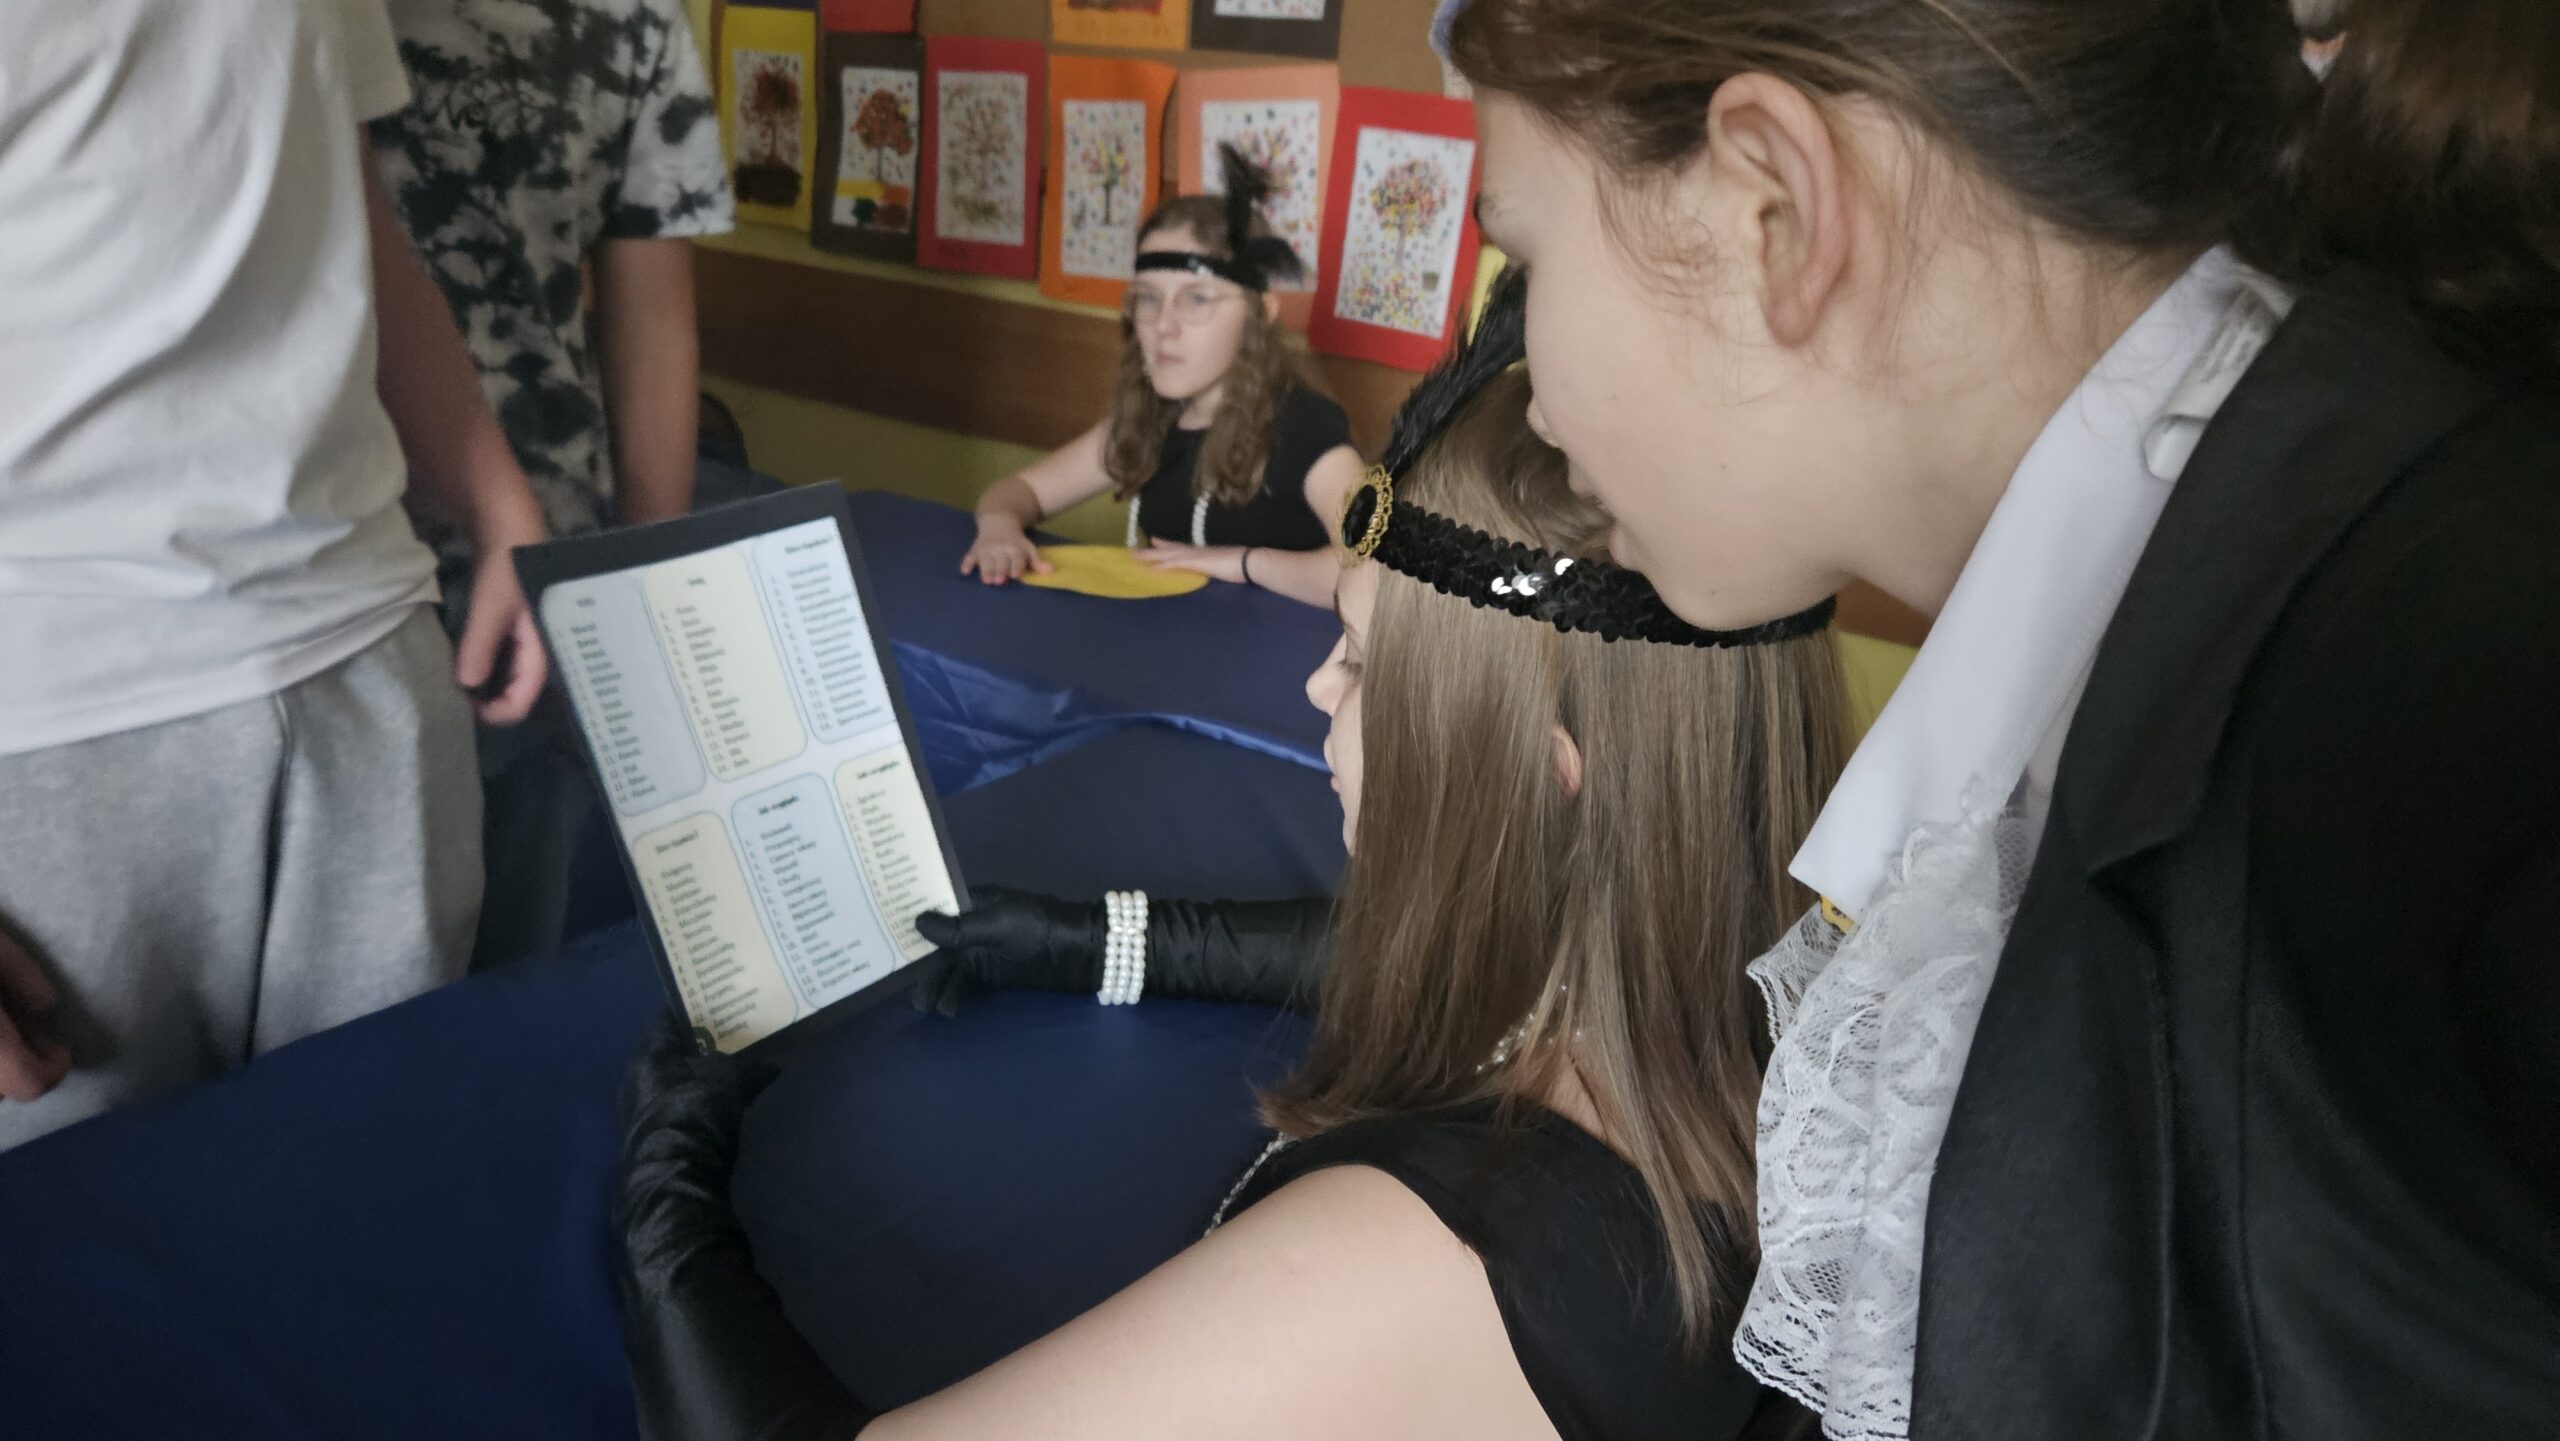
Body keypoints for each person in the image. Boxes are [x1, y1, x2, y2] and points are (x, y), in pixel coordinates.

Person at [1440, 0, 2560, 1435]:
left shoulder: (2425, 732)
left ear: (1770, 210)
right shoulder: (2270, 581)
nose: (1533, 402)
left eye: (1527, 255)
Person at [616, 276, 1852, 1440]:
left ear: (1540, 773)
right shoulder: (1731, 995)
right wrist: (1078, 939)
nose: (1318, 685)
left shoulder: (1421, 1256)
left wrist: (668, 1216)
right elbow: (1367, 953)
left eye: (1358, 661)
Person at [0, 0, 550, 1148]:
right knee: (70, 1245)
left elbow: (340, 203)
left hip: (369, 656)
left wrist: (499, 502)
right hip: (51, 712)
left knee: (387, 1199)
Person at [370, 0, 735, 970]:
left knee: (507, 975)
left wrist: (642, 585)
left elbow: (653, 321)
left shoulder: (638, 16)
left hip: (539, 583)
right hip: (332, 573)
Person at [959, 150, 1365, 610]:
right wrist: (999, 526)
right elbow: (1020, 491)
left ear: (1260, 314)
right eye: (1149, 299)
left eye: (1197, 299)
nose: (1163, 325)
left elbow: (1378, 569)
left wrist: (1243, 563)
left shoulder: (1306, 429)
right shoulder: (1149, 420)